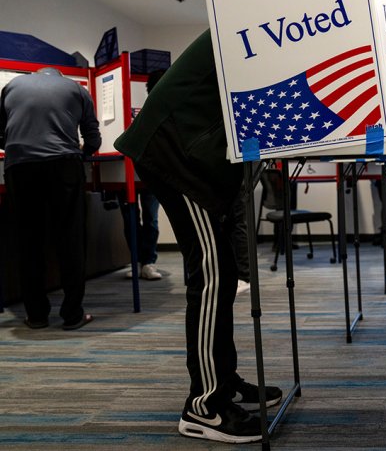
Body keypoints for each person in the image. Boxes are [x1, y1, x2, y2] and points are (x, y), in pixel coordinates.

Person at [114, 30, 282, 443]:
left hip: (194, 152)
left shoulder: (272, 15)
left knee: (220, 276)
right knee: (211, 277)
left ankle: (222, 379)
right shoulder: (263, 12)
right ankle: (205, 405)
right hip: (179, 155)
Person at [0, 67, 101, 331]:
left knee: (28, 240)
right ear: (60, 76)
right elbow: (93, 138)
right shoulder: (78, 90)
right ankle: (72, 315)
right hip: (63, 165)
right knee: (71, 238)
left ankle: (36, 316)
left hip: (19, 166)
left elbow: (2, 134)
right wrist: (82, 152)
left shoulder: (11, 87)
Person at [122, 69, 168, 281]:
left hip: (149, 171)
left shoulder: (157, 108)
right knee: (131, 220)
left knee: (150, 219)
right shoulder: (136, 108)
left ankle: (148, 262)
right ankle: (137, 261)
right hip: (125, 173)